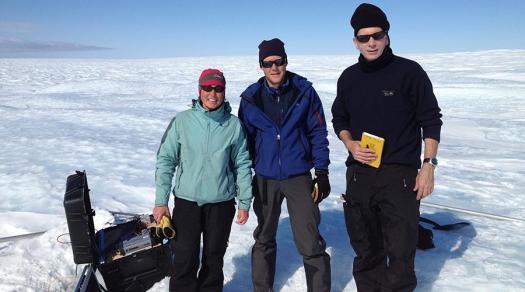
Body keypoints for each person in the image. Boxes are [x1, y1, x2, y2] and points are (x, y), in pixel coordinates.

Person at [331, 3, 443, 292]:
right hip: (359, 174)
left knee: (401, 255)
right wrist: (349, 142)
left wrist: (428, 165)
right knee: (367, 252)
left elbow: (430, 120)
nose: (371, 42)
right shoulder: (349, 78)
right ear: (355, 41)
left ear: (387, 36)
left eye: (377, 35)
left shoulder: (409, 72)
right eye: (364, 37)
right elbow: (339, 118)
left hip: (400, 177)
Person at [238, 38, 331, 292]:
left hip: (298, 176)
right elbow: (243, 143)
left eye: (278, 61)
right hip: (265, 178)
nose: (274, 68)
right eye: (268, 63)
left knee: (310, 239)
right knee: (264, 237)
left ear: (285, 62)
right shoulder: (250, 99)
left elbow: (318, 133)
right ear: (261, 66)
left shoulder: (304, 92)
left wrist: (321, 172)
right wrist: (243, 180)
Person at [153, 69, 253, 292]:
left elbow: (243, 165)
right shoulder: (182, 121)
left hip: (221, 203)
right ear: (199, 90)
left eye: (218, 89)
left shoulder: (233, 125)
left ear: (224, 92)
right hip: (187, 202)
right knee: (184, 258)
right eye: (207, 88)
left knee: (213, 259)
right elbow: (166, 160)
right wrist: (161, 201)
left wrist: (244, 202)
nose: (212, 93)